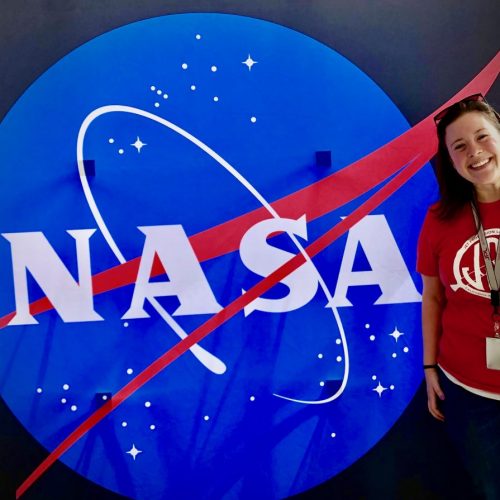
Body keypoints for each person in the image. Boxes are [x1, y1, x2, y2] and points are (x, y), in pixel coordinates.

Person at [417, 94, 500, 499]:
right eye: (460, 147)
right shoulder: (440, 219)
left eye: (483, 137)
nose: (476, 153)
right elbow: (432, 297)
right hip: (470, 391)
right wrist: (430, 366)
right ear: (450, 160)